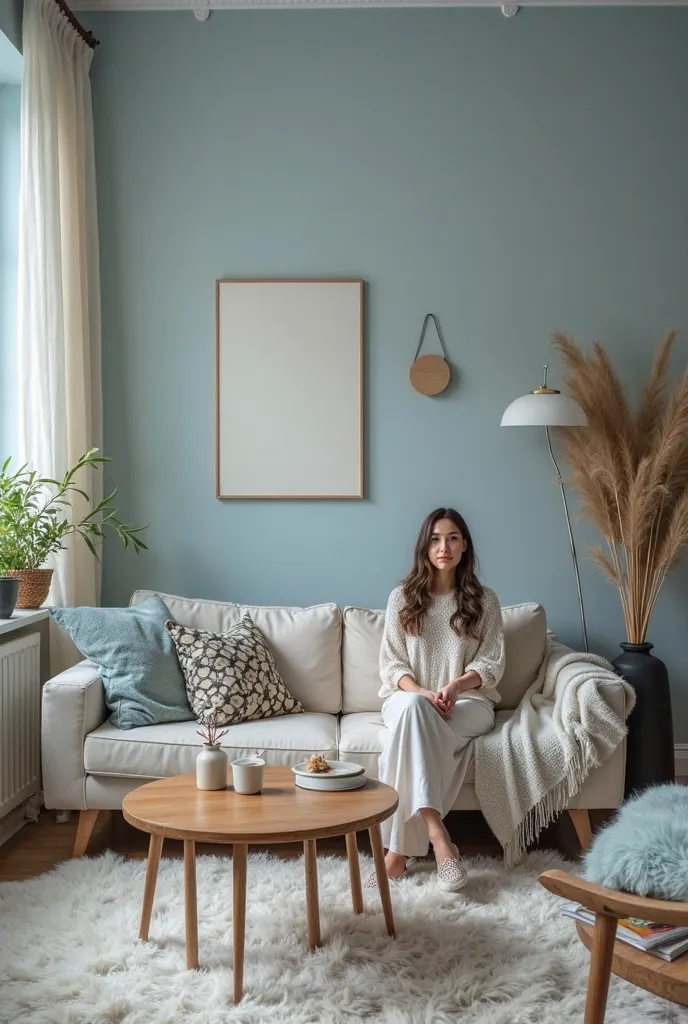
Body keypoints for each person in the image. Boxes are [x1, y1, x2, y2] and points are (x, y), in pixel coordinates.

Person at [376, 507, 505, 892]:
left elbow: (491, 662)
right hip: (408, 698)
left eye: (451, 538)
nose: (443, 546)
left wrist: (454, 688)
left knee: (415, 727)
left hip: (468, 704)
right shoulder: (402, 598)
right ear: (424, 547)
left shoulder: (485, 600)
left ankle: (397, 854)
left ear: (464, 545)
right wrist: (422, 693)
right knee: (415, 712)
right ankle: (439, 839)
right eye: (434, 539)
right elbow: (391, 663)